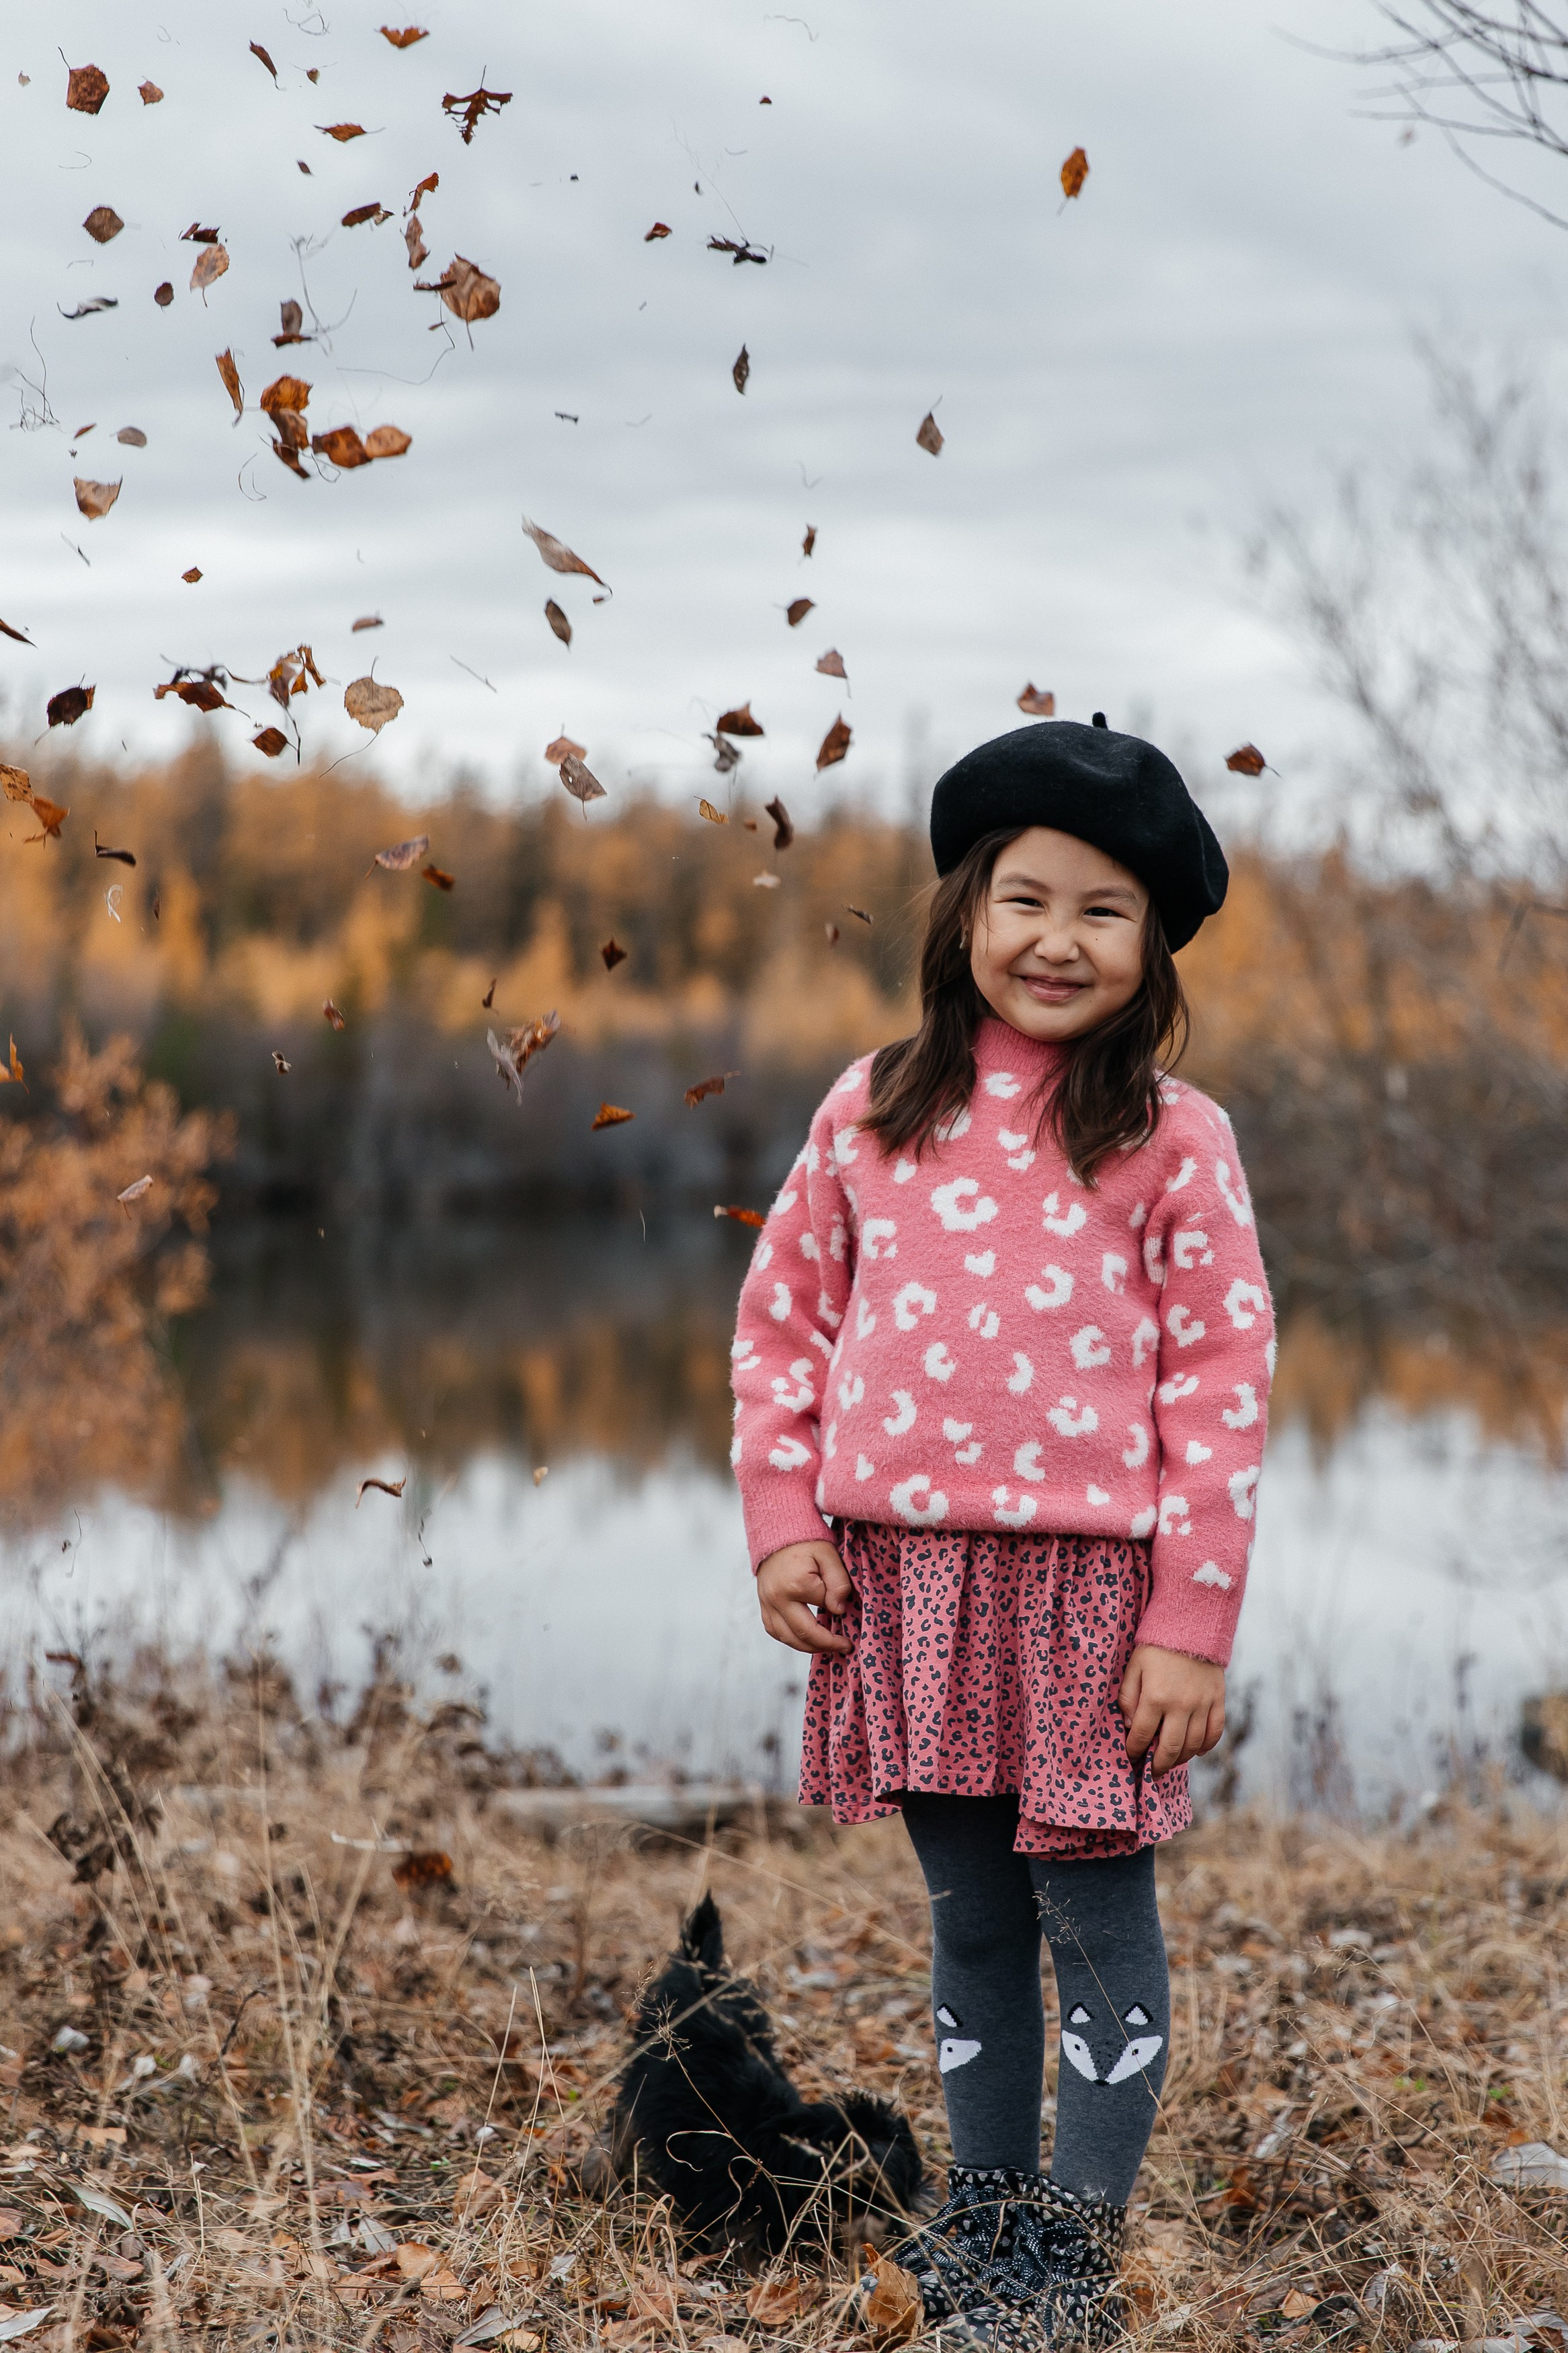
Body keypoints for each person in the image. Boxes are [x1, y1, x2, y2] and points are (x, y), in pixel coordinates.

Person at [729, 716, 1273, 2348]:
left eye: (1104, 910)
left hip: (1092, 1598)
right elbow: (780, 1328)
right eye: (1025, 898)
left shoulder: (1176, 1137)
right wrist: (781, 1522)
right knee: (970, 1915)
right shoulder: (873, 1107)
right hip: (906, 1581)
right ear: (964, 912)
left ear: (1154, 945)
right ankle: (982, 2213)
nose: (1056, 938)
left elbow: (1227, 1384)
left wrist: (1192, 1617)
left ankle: (1075, 2243)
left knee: (1094, 1913)